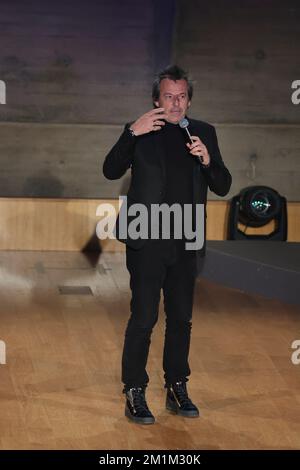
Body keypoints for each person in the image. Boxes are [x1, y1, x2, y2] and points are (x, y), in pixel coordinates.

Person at [103, 65, 232, 425]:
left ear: (189, 100)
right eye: (168, 96)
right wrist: (131, 133)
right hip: (147, 238)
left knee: (181, 318)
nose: (175, 104)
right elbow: (110, 171)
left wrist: (207, 160)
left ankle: (176, 386)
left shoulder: (204, 132)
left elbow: (222, 184)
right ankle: (134, 391)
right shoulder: (141, 130)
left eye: (182, 97)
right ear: (156, 99)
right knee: (144, 317)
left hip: (185, 239)